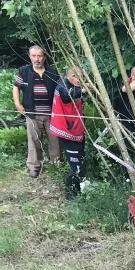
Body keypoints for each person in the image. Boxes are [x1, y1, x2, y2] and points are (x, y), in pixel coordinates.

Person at [12, 45, 61, 177]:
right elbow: (16, 87)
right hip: (32, 113)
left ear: (44, 57)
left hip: (52, 114)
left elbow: (60, 92)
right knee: (34, 141)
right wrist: (17, 104)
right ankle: (34, 167)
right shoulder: (24, 71)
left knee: (54, 140)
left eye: (39, 56)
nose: (37, 59)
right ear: (30, 57)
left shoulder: (53, 73)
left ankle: (56, 165)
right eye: (34, 56)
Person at [49, 68, 86, 198]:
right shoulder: (63, 86)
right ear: (67, 76)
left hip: (76, 130)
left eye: (80, 76)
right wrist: (85, 89)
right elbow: (67, 95)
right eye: (74, 76)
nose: (78, 79)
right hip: (67, 132)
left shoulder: (75, 86)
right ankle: (71, 195)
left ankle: (79, 191)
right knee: (76, 165)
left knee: (80, 162)